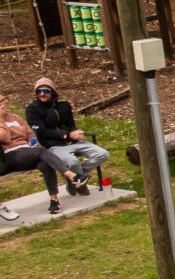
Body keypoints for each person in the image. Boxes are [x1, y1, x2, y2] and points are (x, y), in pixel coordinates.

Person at [25, 78, 107, 196]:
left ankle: (73, 178)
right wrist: (66, 135)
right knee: (73, 163)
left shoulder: (64, 105)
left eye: (45, 91)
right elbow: (42, 132)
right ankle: (78, 182)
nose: (42, 94)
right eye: (39, 91)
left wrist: (76, 132)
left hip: (72, 142)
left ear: (53, 92)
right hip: (53, 146)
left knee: (103, 154)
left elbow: (71, 124)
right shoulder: (32, 109)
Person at [0, 91, 67, 219]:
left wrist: (33, 146)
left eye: (5, 99)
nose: (5, 102)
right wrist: (1, 118)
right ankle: (71, 175)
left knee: (45, 162)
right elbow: (6, 139)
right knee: (41, 151)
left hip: (28, 152)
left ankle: (54, 201)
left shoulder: (16, 118)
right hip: (11, 156)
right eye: (1, 101)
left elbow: (30, 135)